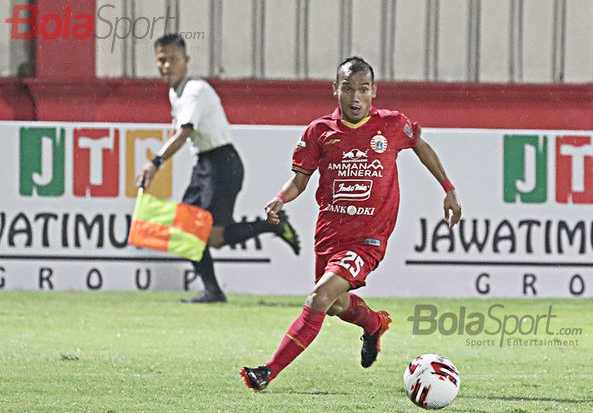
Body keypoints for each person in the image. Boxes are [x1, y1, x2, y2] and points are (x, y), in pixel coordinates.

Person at [240, 56, 462, 390]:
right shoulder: (320, 132)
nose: (355, 97)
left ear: (374, 91)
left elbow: (419, 145)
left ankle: (267, 371)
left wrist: (448, 189)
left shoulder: (391, 124)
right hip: (329, 237)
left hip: (368, 239)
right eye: (347, 89)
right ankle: (373, 325)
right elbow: (299, 180)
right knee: (334, 305)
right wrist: (281, 198)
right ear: (335, 90)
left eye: (362, 89)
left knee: (319, 297)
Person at [137, 34, 301, 304]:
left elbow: (183, 133)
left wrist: (155, 163)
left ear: (186, 60)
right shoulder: (174, 92)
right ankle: (213, 290)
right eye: (161, 60)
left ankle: (273, 227)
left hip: (222, 164)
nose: (166, 66)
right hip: (206, 164)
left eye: (173, 59)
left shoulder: (195, 90)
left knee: (210, 236)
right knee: (186, 230)